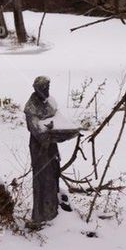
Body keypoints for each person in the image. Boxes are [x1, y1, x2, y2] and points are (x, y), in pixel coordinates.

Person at [24, 76, 78, 224]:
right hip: (39, 149)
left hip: (51, 147)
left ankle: (54, 210)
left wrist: (66, 132)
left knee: (54, 174)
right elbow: (37, 130)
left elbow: (58, 118)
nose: (47, 91)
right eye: (44, 88)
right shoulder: (31, 108)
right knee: (43, 178)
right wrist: (52, 134)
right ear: (36, 89)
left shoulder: (49, 103)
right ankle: (42, 215)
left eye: (48, 88)